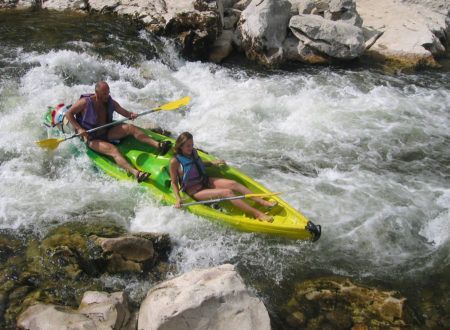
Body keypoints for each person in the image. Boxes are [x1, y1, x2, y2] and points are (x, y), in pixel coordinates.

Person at [66, 81, 171, 182]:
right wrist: (79, 128)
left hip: (107, 132)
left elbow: (124, 112)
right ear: (97, 93)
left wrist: (131, 115)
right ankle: (136, 174)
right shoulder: (85, 102)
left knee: (130, 127)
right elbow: (69, 114)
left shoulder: (109, 102)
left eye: (108, 92)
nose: (107, 95)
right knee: (113, 150)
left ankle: (159, 145)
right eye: (104, 93)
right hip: (91, 138)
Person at [169, 132, 277, 222]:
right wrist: (178, 199)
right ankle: (257, 214)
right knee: (227, 192)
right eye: (188, 145)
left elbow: (198, 164)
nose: (191, 147)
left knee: (233, 184)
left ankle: (262, 202)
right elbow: (173, 182)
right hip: (195, 191)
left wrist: (212, 163)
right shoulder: (175, 161)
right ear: (180, 146)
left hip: (205, 181)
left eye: (192, 144)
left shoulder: (193, 152)